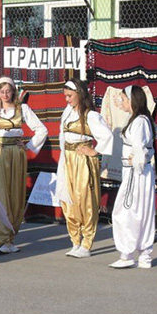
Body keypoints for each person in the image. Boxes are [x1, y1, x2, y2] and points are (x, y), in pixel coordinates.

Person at [0, 77, 48, 254]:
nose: (5, 95)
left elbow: (42, 129)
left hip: (17, 155)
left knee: (16, 194)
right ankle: (4, 239)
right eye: (1, 91)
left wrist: (28, 146)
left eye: (8, 91)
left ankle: (12, 236)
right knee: (0, 195)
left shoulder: (22, 108)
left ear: (13, 91)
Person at [56, 78, 113, 258]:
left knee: (85, 200)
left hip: (82, 161)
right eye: (65, 96)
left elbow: (107, 136)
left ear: (79, 94)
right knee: (69, 200)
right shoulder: (67, 113)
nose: (67, 99)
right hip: (68, 160)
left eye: (70, 96)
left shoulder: (90, 115)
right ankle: (75, 240)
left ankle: (87, 243)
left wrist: (94, 151)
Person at [109, 85, 156, 269]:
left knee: (127, 212)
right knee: (137, 212)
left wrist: (138, 159)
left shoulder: (140, 122)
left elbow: (140, 146)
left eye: (123, 99)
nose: (121, 103)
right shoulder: (139, 120)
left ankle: (130, 254)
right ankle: (141, 255)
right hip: (136, 173)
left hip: (136, 175)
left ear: (132, 100)